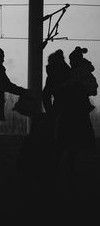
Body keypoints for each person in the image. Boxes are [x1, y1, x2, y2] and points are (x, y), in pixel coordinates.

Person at [57, 47, 97, 175]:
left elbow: (68, 85)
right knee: (75, 138)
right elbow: (93, 89)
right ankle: (72, 165)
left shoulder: (76, 73)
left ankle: (63, 163)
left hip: (72, 109)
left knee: (65, 136)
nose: (70, 62)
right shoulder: (85, 71)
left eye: (72, 60)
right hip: (80, 109)